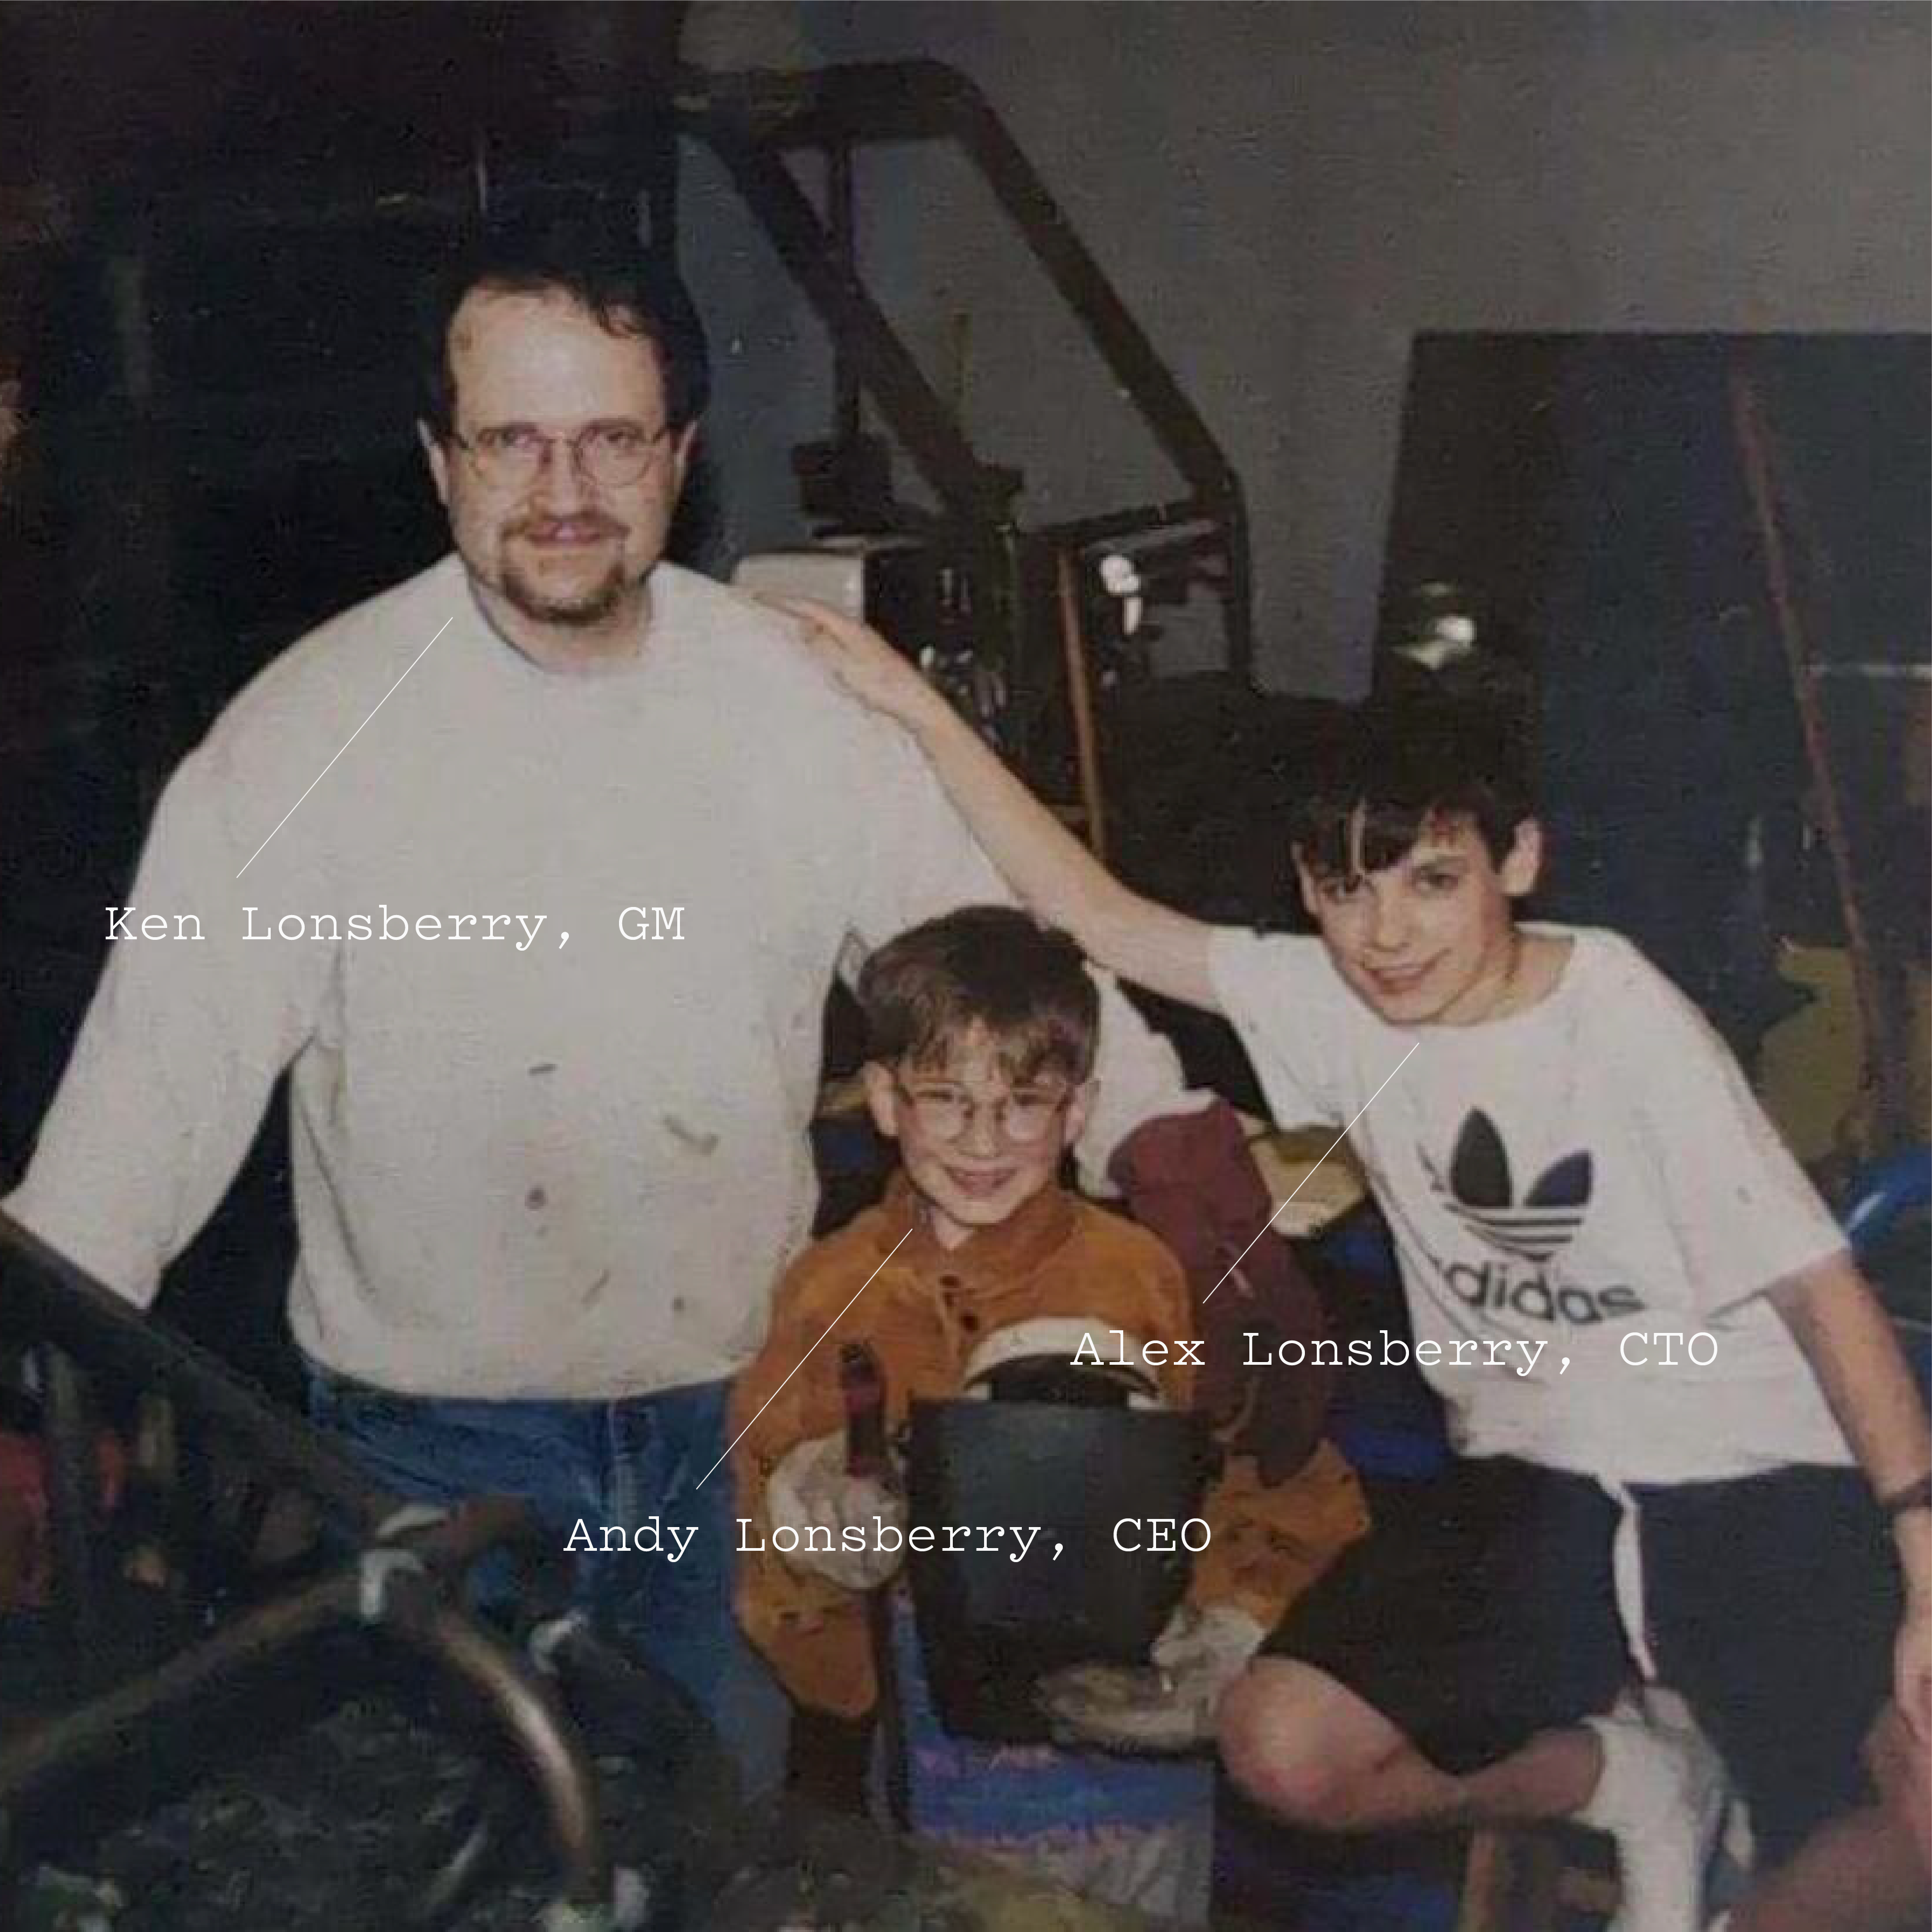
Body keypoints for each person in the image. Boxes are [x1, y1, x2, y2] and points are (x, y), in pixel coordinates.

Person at [0, 208, 1297, 1798]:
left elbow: (1007, 956)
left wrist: (1176, 1156)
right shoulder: (299, 743)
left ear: (681, 455)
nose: (561, 494)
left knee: (709, 1852)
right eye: (512, 442)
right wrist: (25, 1386)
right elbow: (143, 1106)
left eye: (610, 439)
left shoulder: (793, 702)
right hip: (431, 1460)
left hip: (741, 1427)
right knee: (453, 1877)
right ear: (440, 460)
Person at [774, 598, 1932, 1932]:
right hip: (1534, 1492)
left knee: (1912, 1808)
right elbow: (1089, 906)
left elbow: (1825, 1291)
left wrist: (1918, 1568)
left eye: (1432, 880)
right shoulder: (1328, 1002)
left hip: (1752, 1480)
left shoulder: (1621, 1020)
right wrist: (912, 704)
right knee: (1283, 1746)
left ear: (1520, 861)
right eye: (1345, 888)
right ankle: (1628, 1781)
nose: (1385, 934)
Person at [731, 905, 1367, 1921]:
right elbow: (770, 1533)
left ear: (1079, 1111)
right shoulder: (832, 1292)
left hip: (1142, 1781)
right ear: (885, 1101)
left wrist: (1239, 1616)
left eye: (1024, 1102)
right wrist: (811, 1533)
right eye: (945, 1099)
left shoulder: (1145, 1278)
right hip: (945, 1785)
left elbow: (1288, 1481)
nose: (984, 1142)